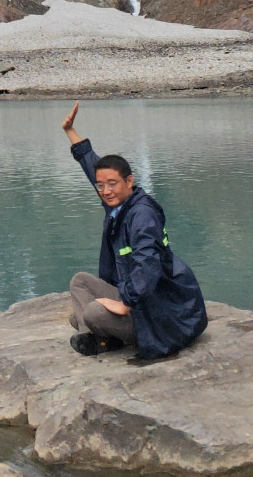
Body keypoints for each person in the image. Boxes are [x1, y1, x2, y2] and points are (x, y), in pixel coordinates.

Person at [61, 102, 207, 367]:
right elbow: (92, 165)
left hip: (163, 314)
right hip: (145, 300)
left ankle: (104, 336)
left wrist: (125, 303)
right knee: (80, 283)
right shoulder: (119, 203)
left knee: (92, 311)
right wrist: (71, 131)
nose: (105, 190)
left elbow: (148, 264)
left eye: (112, 184)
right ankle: (98, 338)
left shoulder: (141, 216)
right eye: (100, 186)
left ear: (130, 181)